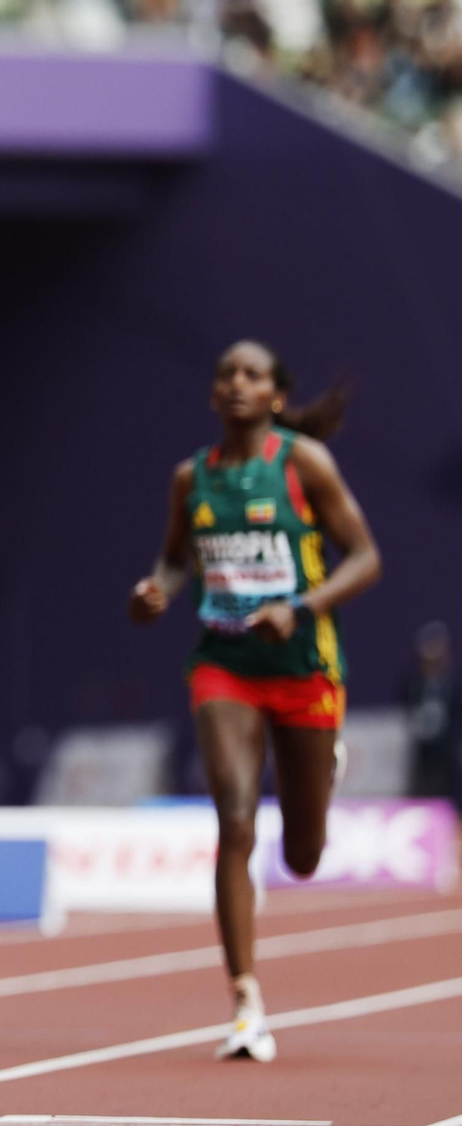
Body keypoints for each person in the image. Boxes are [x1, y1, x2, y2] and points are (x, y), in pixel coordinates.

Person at [128, 341, 381, 1063]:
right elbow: (176, 558)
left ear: (274, 394)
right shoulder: (192, 479)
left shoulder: (303, 464)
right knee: (234, 820)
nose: (237, 384)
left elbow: (366, 557)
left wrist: (300, 606)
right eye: (225, 375)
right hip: (225, 665)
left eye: (252, 375)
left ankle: (318, 769)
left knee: (302, 856)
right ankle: (244, 998)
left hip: (303, 665)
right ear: (213, 396)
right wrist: (158, 591)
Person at [404, 621, 460, 809]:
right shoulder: (414, 683)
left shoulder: (453, 684)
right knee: (422, 791)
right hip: (421, 751)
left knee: (445, 789)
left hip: (445, 750)